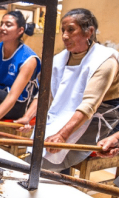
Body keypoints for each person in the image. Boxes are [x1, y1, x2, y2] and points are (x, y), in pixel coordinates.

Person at [21, 8, 119, 172]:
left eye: (71, 30)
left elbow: (89, 105)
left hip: (103, 116)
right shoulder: (59, 59)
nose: (65, 36)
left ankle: (49, 180)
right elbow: (47, 96)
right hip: (69, 111)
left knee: (54, 154)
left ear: (89, 31)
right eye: (63, 30)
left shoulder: (106, 60)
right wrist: (26, 118)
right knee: (41, 145)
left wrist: (62, 135)